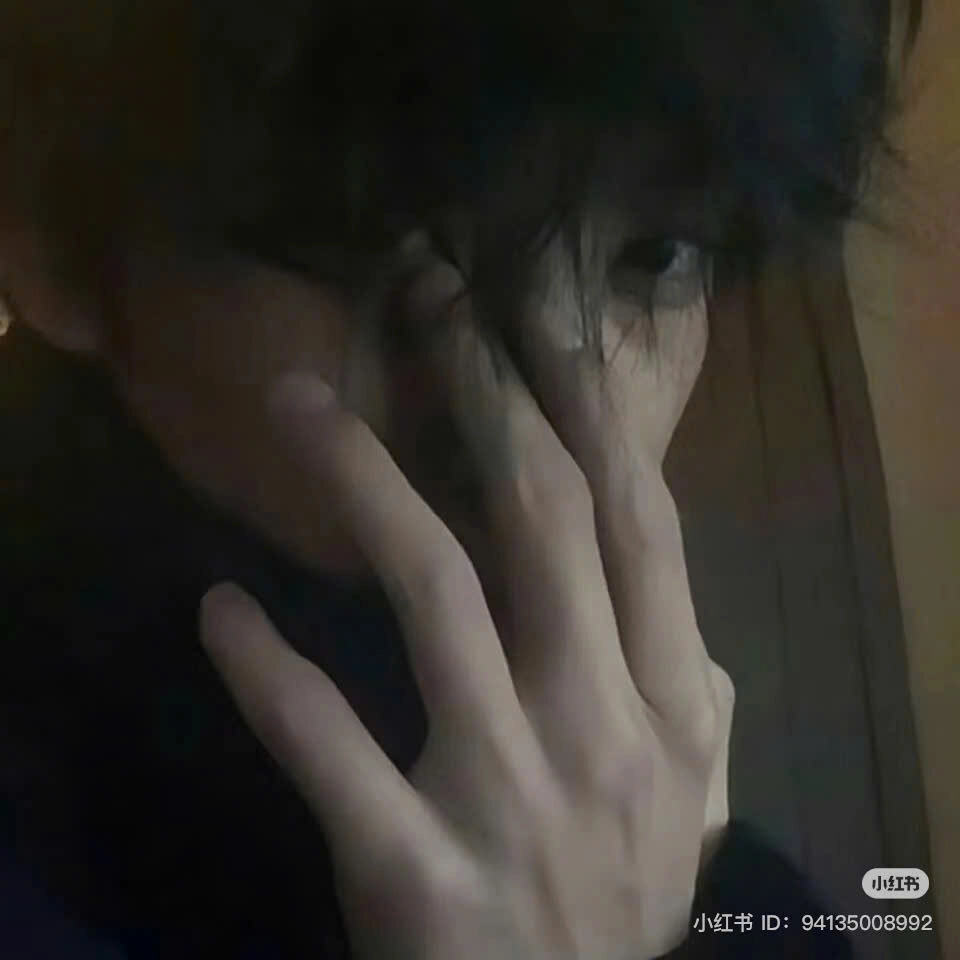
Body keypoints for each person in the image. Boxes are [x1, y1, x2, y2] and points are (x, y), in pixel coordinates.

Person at [0, 0, 923, 957]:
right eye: (368, 246)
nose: (551, 423)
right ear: (56, 239)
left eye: (657, 256)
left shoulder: (727, 879)